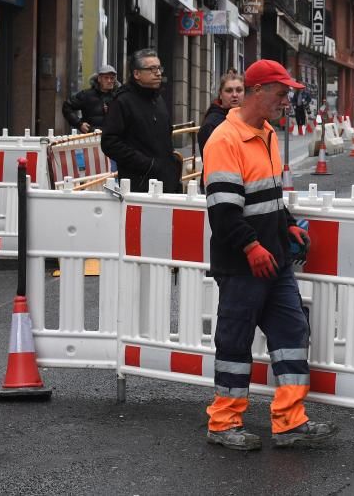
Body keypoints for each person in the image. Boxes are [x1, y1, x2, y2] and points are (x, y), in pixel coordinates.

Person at [203, 59, 334, 451]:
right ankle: (223, 423)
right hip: (243, 264)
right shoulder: (224, 140)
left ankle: (290, 421)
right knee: (235, 341)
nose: (286, 100)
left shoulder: (267, 135)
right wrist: (251, 246)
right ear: (257, 91)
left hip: (272, 259)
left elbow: (270, 198)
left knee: (292, 333)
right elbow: (223, 211)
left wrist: (287, 224)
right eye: (281, 93)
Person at [101, 49, 182, 193]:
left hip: (166, 181)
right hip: (140, 184)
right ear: (136, 74)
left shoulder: (158, 99)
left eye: (159, 68)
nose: (158, 73)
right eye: (151, 69)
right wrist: (146, 164)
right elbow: (110, 143)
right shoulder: (122, 101)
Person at [61, 64, 119, 133]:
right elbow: (67, 106)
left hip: (112, 138)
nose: (109, 81)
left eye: (112, 78)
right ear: (99, 79)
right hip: (90, 137)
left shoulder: (118, 96)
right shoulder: (87, 95)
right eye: (106, 78)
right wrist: (79, 124)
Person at [197, 71, 245, 151]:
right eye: (229, 91)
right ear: (220, 94)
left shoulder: (248, 118)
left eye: (239, 90)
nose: (234, 95)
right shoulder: (211, 124)